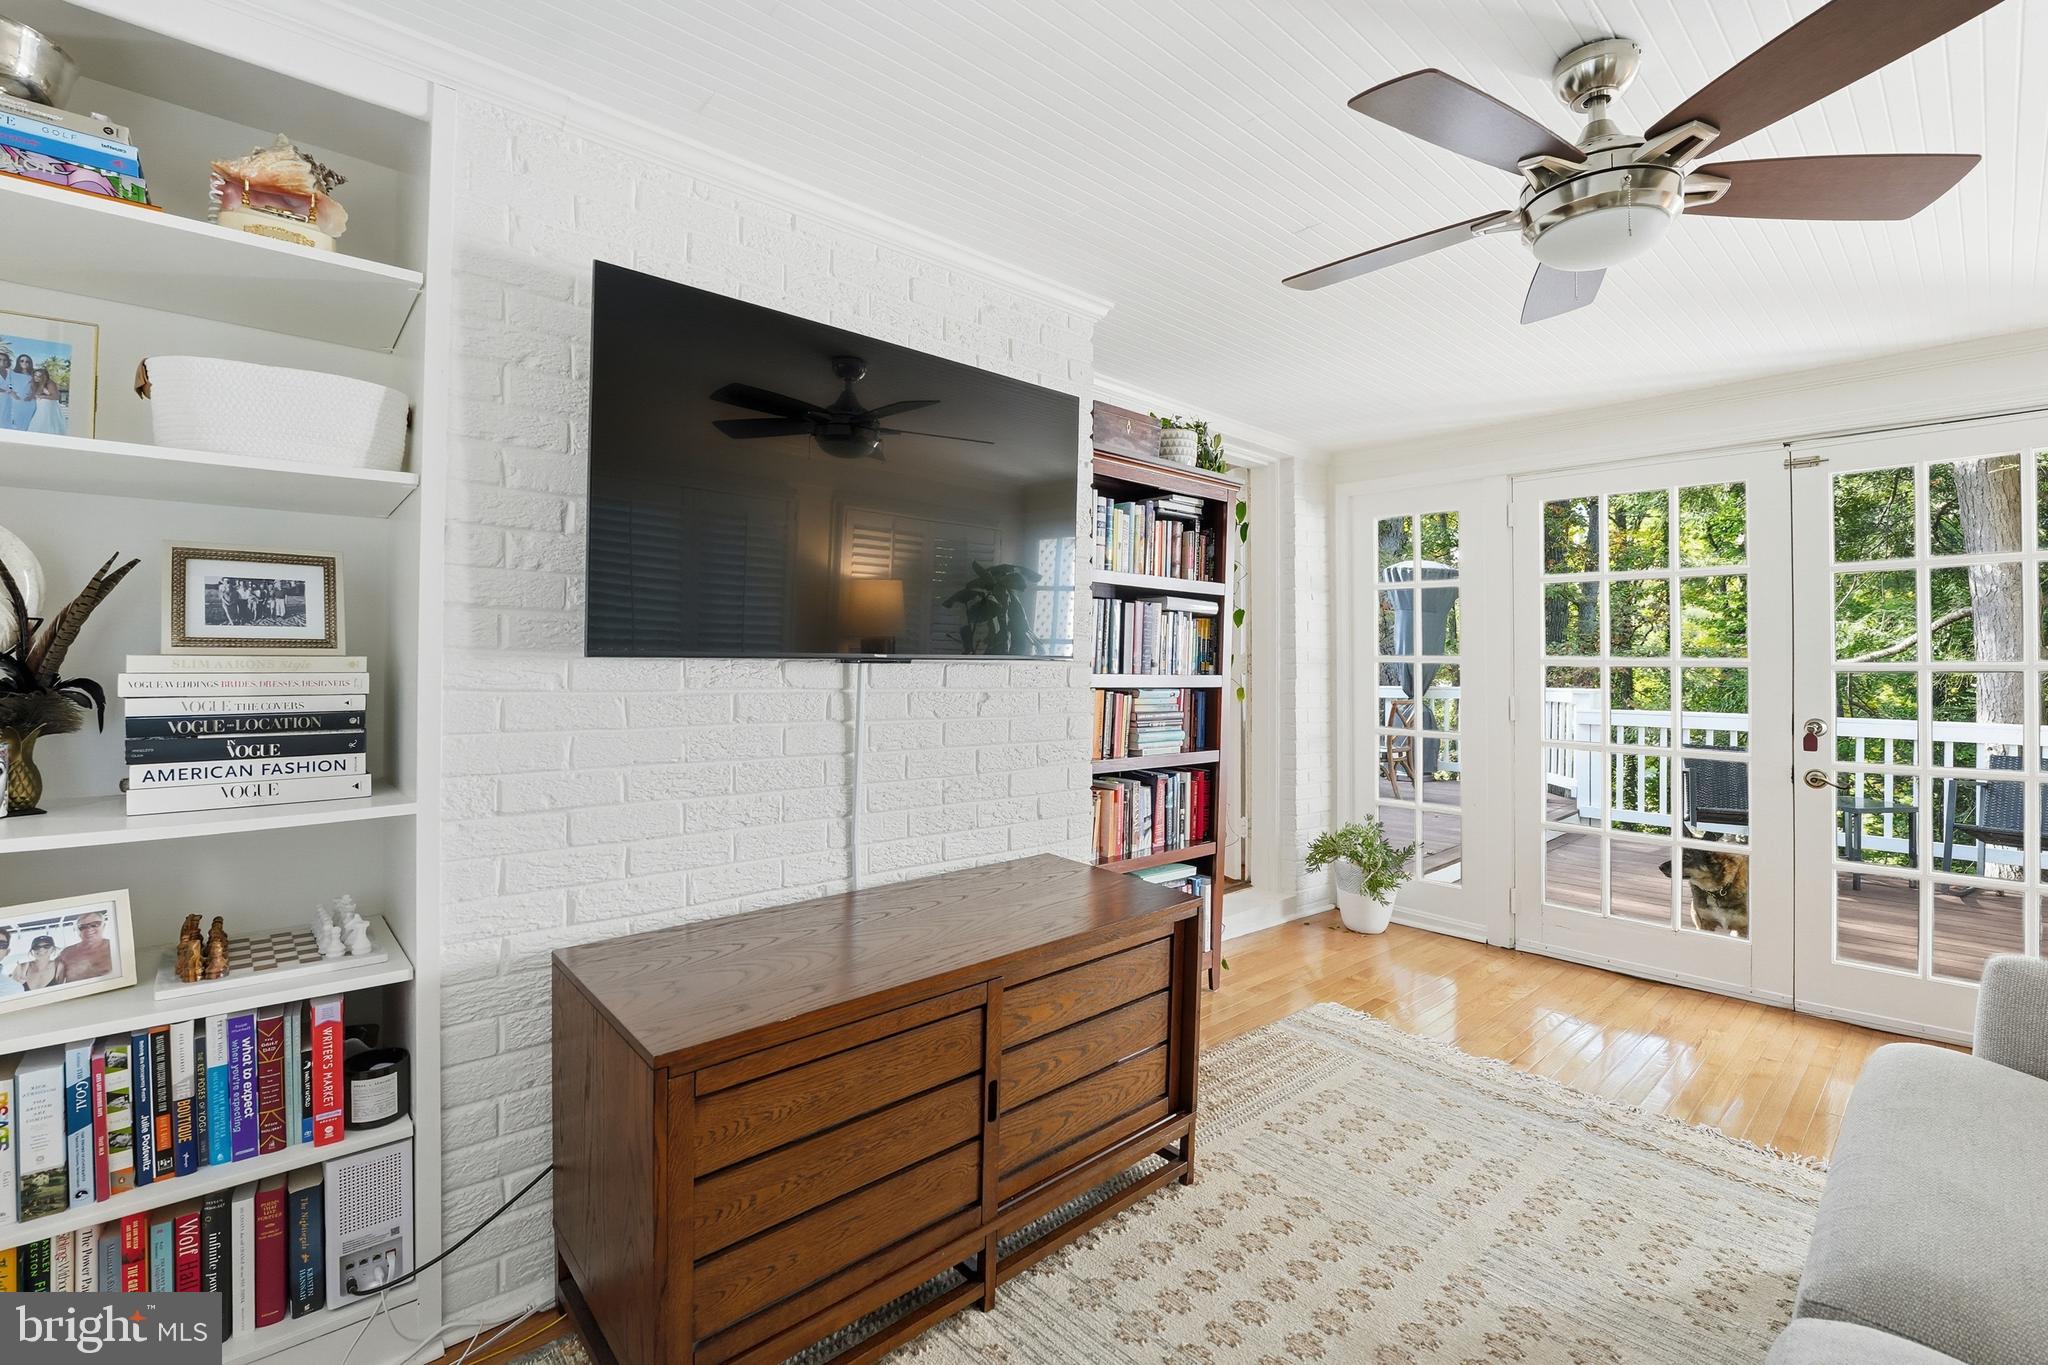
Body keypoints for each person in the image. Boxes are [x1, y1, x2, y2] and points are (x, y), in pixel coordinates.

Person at [53, 910, 113, 984]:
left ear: (103, 926)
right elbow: (54, 980)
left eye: (95, 924)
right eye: (82, 927)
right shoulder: (66, 953)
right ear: (77, 930)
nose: (89, 929)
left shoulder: (114, 948)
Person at [26, 366, 62, 435]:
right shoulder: (36, 383)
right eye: (35, 375)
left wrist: (41, 396)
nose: (36, 377)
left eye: (39, 376)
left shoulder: (50, 383)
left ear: (44, 377)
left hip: (49, 408)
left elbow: (56, 396)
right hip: (41, 408)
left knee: (47, 424)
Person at [4, 353, 35, 432]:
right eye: (22, 361)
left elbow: (36, 387)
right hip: (16, 401)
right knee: (15, 423)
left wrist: (32, 395)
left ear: (30, 363)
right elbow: (9, 384)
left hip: (29, 402)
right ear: (18, 362)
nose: (24, 363)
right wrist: (12, 392)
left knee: (28, 424)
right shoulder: (12, 373)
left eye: (27, 361)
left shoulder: (33, 375)